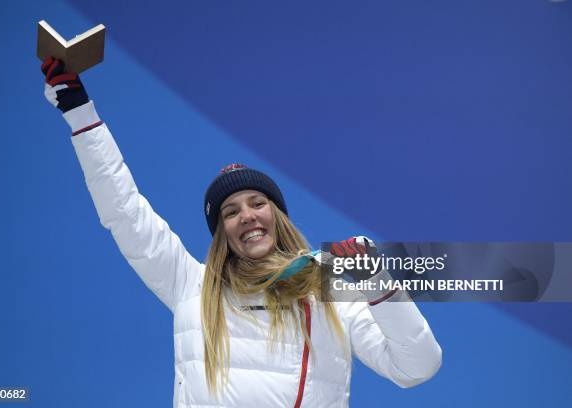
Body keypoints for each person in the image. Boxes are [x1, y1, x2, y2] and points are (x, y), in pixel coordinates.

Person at [41, 57, 442, 407]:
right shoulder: (189, 287)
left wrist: (377, 283)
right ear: (221, 233)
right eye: (230, 212)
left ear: (278, 215)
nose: (246, 216)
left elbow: (415, 367)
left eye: (257, 203)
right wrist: (81, 116)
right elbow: (124, 210)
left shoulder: (327, 288)